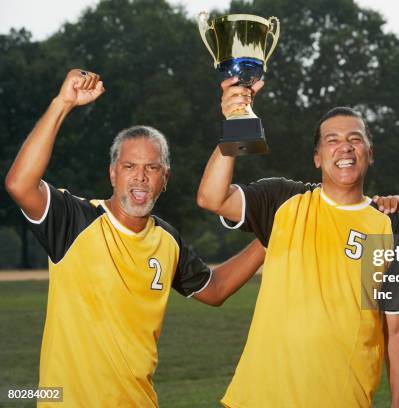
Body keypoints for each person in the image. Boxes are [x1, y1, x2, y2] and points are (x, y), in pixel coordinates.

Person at [4, 69, 266, 407]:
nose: (140, 177)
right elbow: (19, 184)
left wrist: (270, 237)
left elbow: (214, 290)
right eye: (129, 167)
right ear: (113, 173)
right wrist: (63, 104)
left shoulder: (167, 240)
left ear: (165, 178)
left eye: (152, 168)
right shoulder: (74, 220)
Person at [196, 77, 399, 408]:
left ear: (369, 154)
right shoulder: (283, 200)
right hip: (258, 398)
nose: (344, 147)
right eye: (332, 140)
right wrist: (234, 126)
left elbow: (398, 328)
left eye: (355, 139)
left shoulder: (390, 223)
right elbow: (211, 197)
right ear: (317, 157)